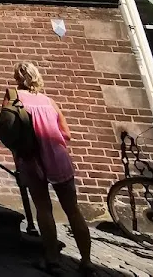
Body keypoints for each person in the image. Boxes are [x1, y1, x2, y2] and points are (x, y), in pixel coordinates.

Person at [13, 62, 93, 275]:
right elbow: (66, 133)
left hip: (33, 159)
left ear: (17, 79)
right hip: (58, 157)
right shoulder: (50, 102)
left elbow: (10, 132)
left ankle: (52, 259)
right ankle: (86, 261)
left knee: (43, 209)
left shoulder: (15, 99)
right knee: (73, 210)